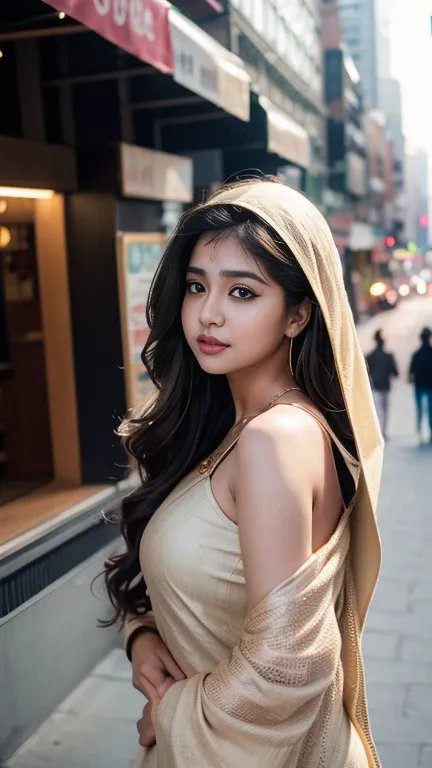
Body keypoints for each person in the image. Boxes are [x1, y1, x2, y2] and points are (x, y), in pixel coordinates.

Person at [103, 178, 384, 768]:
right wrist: (143, 635)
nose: (208, 313)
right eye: (198, 286)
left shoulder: (275, 439)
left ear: (298, 314)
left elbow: (284, 671)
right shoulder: (233, 425)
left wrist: (170, 712)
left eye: (244, 293)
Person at [366, 329, 399, 440]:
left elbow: (365, 373)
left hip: (374, 387)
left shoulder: (370, 356)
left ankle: (378, 432)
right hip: (384, 386)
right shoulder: (388, 356)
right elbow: (395, 372)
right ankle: (382, 432)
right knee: (384, 412)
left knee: (377, 411)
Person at [409, 326, 432, 443]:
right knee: (431, 410)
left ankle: (419, 431)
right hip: (430, 385)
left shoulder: (416, 354)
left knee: (419, 409)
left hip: (419, 385)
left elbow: (410, 371)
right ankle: (430, 431)